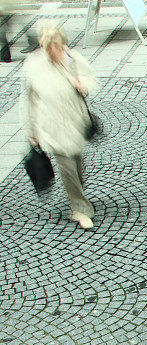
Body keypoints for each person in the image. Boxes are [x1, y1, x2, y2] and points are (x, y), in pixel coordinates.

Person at [21, 24, 98, 229]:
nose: (53, 52)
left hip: (75, 121)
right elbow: (30, 100)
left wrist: (82, 85)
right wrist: (32, 131)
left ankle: (77, 196)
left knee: (77, 165)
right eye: (49, 48)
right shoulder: (36, 66)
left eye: (57, 47)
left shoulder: (73, 59)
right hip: (52, 126)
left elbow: (91, 80)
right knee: (67, 168)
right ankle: (80, 208)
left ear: (63, 44)